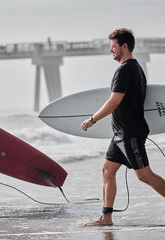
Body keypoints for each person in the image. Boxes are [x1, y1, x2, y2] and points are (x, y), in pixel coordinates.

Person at [81, 28, 165, 226]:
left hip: (130, 133)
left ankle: (106, 217)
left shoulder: (126, 69)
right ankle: (106, 217)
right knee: (107, 171)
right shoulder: (133, 68)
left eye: (113, 46)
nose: (111, 51)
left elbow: (114, 101)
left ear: (124, 46)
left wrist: (92, 119)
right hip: (120, 134)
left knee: (144, 175)